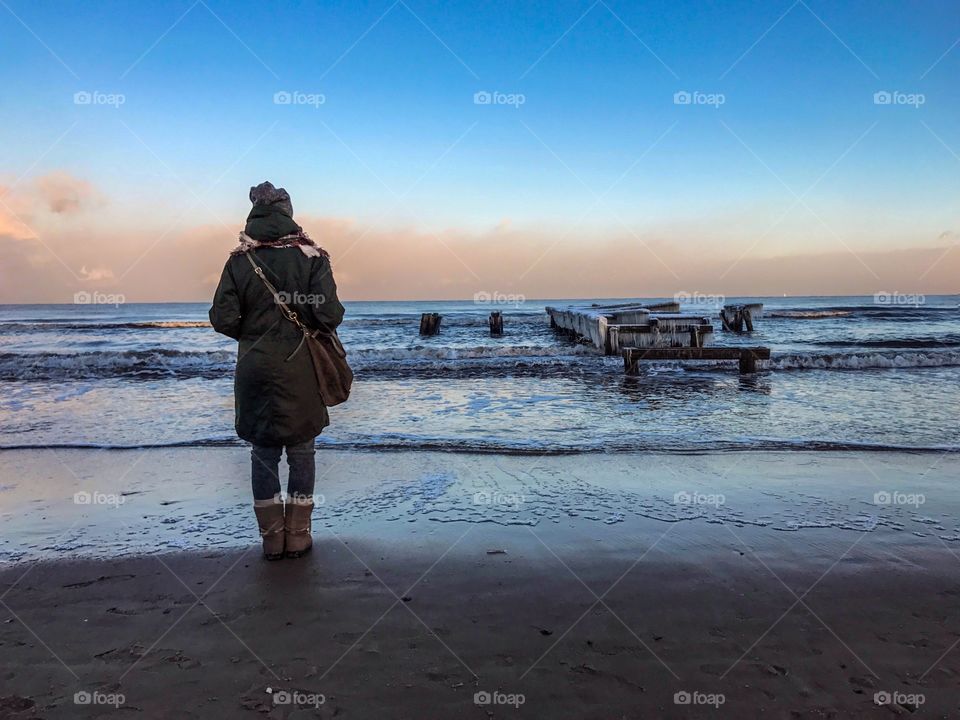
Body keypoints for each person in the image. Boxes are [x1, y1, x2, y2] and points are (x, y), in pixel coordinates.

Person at [210, 182, 344, 560]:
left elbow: (221, 318)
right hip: (300, 366)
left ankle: (271, 540)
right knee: (302, 451)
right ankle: (298, 536)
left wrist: (252, 335)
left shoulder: (239, 260)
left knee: (262, 453)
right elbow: (329, 314)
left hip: (254, 366)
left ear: (254, 214)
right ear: (287, 211)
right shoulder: (312, 256)